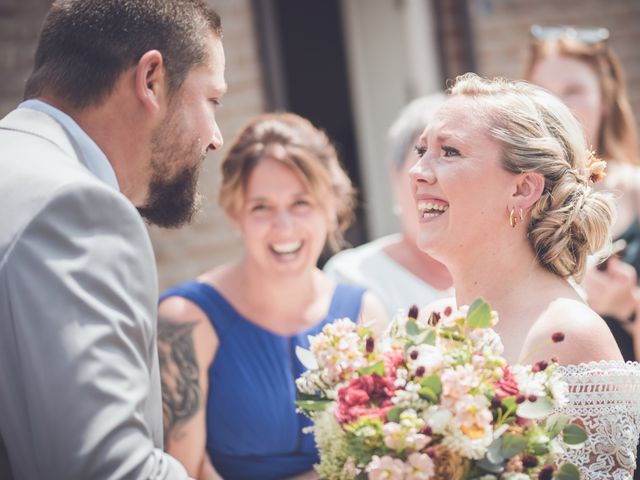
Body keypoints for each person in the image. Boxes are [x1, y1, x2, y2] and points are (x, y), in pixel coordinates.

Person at [0, 1, 226, 479]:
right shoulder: (77, 209)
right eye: (212, 100)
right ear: (151, 80)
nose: (215, 138)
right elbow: (106, 468)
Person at [410, 73, 640, 477]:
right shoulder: (430, 322)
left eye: (449, 152)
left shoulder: (565, 336)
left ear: (523, 189)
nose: (417, 171)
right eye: (421, 149)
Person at [158, 113, 387, 480]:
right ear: (236, 215)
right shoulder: (184, 320)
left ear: (331, 208)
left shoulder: (364, 313)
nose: (284, 227)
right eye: (261, 207)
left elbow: (380, 456)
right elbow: (182, 471)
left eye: (301, 203)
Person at [524, 24, 640, 362]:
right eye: (542, 91)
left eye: (573, 90)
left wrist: (630, 307)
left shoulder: (636, 190)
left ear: (604, 99)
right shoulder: (514, 198)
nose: (557, 105)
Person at [324, 93, 453, 317]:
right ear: (396, 176)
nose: (434, 182)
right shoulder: (351, 278)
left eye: (449, 160)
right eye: (422, 163)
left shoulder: (509, 271)